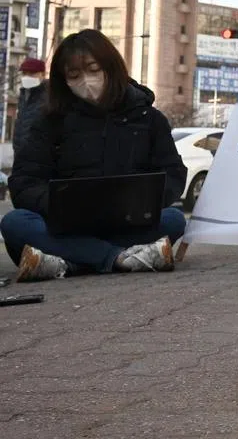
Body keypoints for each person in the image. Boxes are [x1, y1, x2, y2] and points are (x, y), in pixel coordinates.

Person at [1, 29, 188, 281]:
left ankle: (71, 262)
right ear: (63, 80)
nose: (86, 81)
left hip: (126, 226)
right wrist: (59, 205)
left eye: (93, 69)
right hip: (64, 229)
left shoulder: (148, 118)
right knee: (16, 223)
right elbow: (25, 183)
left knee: (173, 219)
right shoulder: (50, 122)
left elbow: (173, 173)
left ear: (111, 68)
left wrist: (142, 200)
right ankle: (119, 259)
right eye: (74, 75)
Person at [13, 56, 48, 157]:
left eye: (32, 73)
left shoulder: (50, 96)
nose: (27, 77)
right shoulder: (24, 95)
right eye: (24, 73)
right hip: (20, 155)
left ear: (43, 74)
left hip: (39, 158)